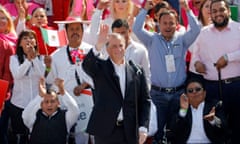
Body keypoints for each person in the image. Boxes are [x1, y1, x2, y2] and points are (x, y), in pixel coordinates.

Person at [133, 0, 200, 143]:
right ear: (159, 24)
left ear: (176, 24)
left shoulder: (182, 40)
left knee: (179, 130)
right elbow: (136, 29)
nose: (168, 26)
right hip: (158, 96)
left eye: (171, 23)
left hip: (179, 95)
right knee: (158, 133)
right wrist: (144, 10)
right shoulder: (152, 40)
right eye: (165, 23)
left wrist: (187, 10)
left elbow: (196, 30)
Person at [82, 24, 151, 144]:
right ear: (107, 49)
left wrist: (143, 127)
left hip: (130, 131)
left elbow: (145, 101)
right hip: (106, 131)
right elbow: (87, 65)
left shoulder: (136, 71)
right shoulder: (100, 68)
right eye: (114, 46)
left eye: (121, 46)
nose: (118, 49)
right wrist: (98, 45)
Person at [191, 0, 240, 142]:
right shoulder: (204, 33)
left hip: (236, 87)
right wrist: (197, 63)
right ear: (210, 14)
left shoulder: (238, 29)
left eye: (221, 10)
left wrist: (228, 57)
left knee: (237, 128)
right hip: (212, 88)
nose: (218, 14)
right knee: (214, 128)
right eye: (214, 11)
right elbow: (195, 56)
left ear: (229, 11)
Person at [46, 16, 93, 144]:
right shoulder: (56, 55)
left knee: (87, 135)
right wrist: (48, 67)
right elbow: (51, 80)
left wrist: (83, 85)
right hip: (66, 102)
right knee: (64, 135)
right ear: (66, 32)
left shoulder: (91, 51)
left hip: (88, 101)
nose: (75, 32)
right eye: (71, 29)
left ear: (83, 31)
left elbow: (98, 76)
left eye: (78, 28)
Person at [9, 30, 51, 144]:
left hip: (37, 104)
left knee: (37, 136)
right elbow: (17, 75)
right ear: (20, 44)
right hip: (19, 104)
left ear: (36, 42)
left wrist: (34, 59)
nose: (29, 40)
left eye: (31, 38)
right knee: (21, 137)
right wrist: (28, 60)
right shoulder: (14, 59)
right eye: (25, 38)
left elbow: (42, 74)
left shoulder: (41, 59)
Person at [166, 78, 228, 143]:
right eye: (190, 91)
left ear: (204, 93)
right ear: (186, 95)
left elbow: (224, 130)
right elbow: (173, 131)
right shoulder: (179, 106)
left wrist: (213, 120)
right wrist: (183, 111)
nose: (194, 92)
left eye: (198, 89)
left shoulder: (215, 105)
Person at [22, 77, 80, 144]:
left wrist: (63, 92)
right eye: (46, 102)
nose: (49, 105)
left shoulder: (65, 117)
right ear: (41, 104)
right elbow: (25, 115)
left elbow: (75, 111)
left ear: (58, 103)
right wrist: (40, 96)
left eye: (52, 101)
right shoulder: (35, 116)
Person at [0, 5, 17, 144]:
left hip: (3, 94)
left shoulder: (11, 43)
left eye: (3, 18)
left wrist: (2, 96)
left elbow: (7, 74)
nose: (1, 20)